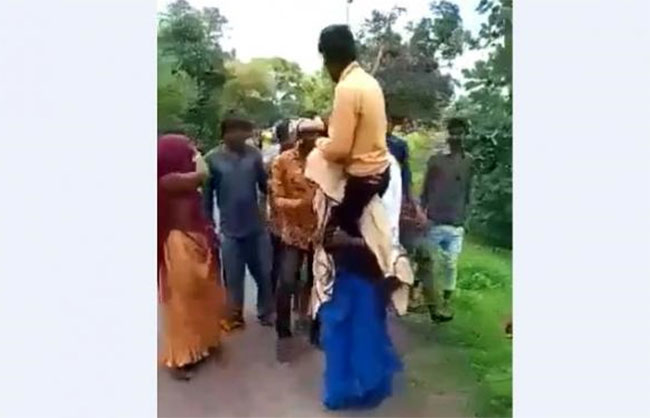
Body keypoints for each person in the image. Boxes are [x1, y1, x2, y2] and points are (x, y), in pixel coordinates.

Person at [305, 146, 413, 411]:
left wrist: (351, 241)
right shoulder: (338, 162)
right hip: (342, 265)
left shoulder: (381, 167)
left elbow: (386, 227)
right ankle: (347, 387)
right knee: (343, 328)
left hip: (366, 263)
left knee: (362, 326)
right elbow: (324, 222)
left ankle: (362, 385)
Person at [158, 134, 225, 381]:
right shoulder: (169, 180)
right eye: (188, 150)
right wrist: (199, 158)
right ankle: (181, 357)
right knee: (182, 302)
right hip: (179, 243)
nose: (193, 153)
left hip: (197, 239)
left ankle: (203, 343)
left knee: (204, 296)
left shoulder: (179, 178)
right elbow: (203, 174)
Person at [315, 24, 391, 243]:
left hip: (361, 180)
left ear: (328, 58)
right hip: (380, 172)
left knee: (330, 237)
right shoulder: (369, 82)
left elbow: (339, 149)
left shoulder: (346, 88)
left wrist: (320, 142)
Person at [203, 114, 274, 330]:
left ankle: (265, 312)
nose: (244, 136)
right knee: (233, 276)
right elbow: (207, 197)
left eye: (246, 132)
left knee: (264, 272)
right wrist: (208, 226)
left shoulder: (254, 155)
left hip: (256, 226)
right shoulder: (212, 159)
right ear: (226, 134)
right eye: (239, 132)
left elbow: (265, 186)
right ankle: (235, 315)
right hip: (229, 229)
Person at [270, 120, 320, 362]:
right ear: (297, 135)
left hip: (321, 230)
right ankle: (282, 329)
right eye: (307, 134)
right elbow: (277, 198)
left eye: (316, 134)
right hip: (293, 230)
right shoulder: (282, 161)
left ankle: (314, 327)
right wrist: (300, 204)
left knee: (317, 280)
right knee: (287, 280)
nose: (312, 138)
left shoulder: (326, 160)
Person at [420, 117, 473, 322]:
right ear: (448, 135)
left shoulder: (469, 162)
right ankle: (419, 296)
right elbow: (425, 189)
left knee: (451, 264)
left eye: (460, 133)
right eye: (453, 133)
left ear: (465, 135)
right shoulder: (436, 160)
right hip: (434, 219)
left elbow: (468, 191)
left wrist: (466, 217)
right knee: (427, 262)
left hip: (456, 222)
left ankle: (446, 300)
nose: (456, 137)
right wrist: (422, 213)